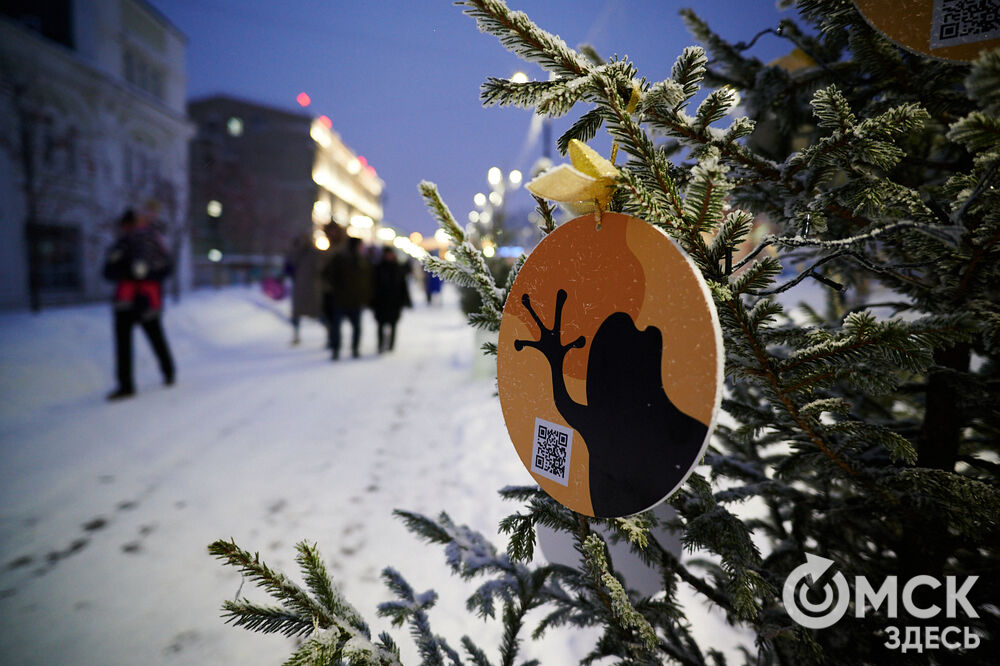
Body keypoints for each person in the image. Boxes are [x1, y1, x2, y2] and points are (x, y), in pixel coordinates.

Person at [102, 208, 175, 400]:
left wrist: (147, 274)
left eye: (130, 224)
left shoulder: (153, 241)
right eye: (126, 225)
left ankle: (168, 372)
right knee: (124, 345)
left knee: (156, 338)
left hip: (146, 302)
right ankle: (126, 385)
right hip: (125, 302)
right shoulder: (121, 244)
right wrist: (128, 272)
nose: (128, 228)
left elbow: (166, 268)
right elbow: (107, 271)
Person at [321, 236, 371, 359]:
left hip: (355, 300)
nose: (361, 248)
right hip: (341, 299)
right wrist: (337, 287)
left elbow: (367, 280)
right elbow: (327, 273)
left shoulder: (362, 260)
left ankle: (355, 348)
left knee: (356, 327)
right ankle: (336, 349)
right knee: (336, 326)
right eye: (360, 245)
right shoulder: (340, 259)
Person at [371, 246, 412, 353]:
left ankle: (391, 346)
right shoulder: (378, 268)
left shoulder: (398, 268)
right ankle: (380, 344)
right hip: (381, 302)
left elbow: (403, 286)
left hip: (394, 302)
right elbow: (373, 285)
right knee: (380, 324)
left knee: (393, 324)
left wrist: (406, 300)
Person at [284, 232, 322, 345]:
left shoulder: (314, 253)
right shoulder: (293, 253)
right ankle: (296, 335)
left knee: (318, 313)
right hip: (299, 288)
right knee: (296, 314)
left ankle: (329, 333)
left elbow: (320, 268)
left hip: (312, 288)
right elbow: (288, 269)